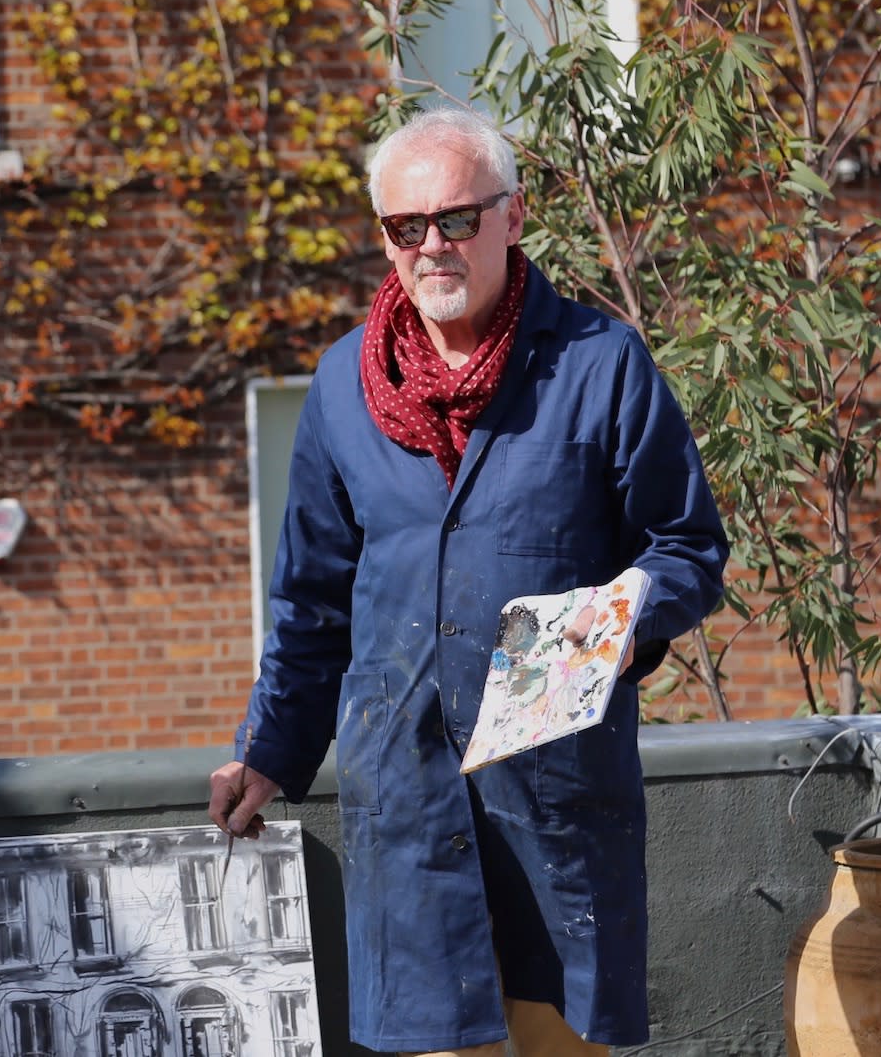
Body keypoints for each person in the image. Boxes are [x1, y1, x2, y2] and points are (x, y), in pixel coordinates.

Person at [208, 105, 729, 1056]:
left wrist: (595, 632)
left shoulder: (599, 365)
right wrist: (268, 750)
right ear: (385, 239)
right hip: (405, 804)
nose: (433, 246)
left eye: (457, 219)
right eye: (408, 228)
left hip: (556, 805)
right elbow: (314, 604)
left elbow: (687, 547)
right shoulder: (339, 388)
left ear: (514, 216)